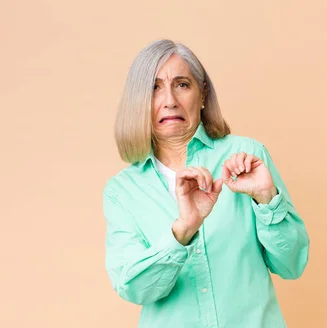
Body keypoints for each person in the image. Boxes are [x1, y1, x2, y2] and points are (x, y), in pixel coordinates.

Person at [102, 39, 310, 328]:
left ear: (202, 95)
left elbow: (292, 265)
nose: (170, 100)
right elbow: (134, 289)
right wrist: (183, 230)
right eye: (154, 87)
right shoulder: (122, 192)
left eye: (182, 84)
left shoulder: (248, 158)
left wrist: (266, 198)